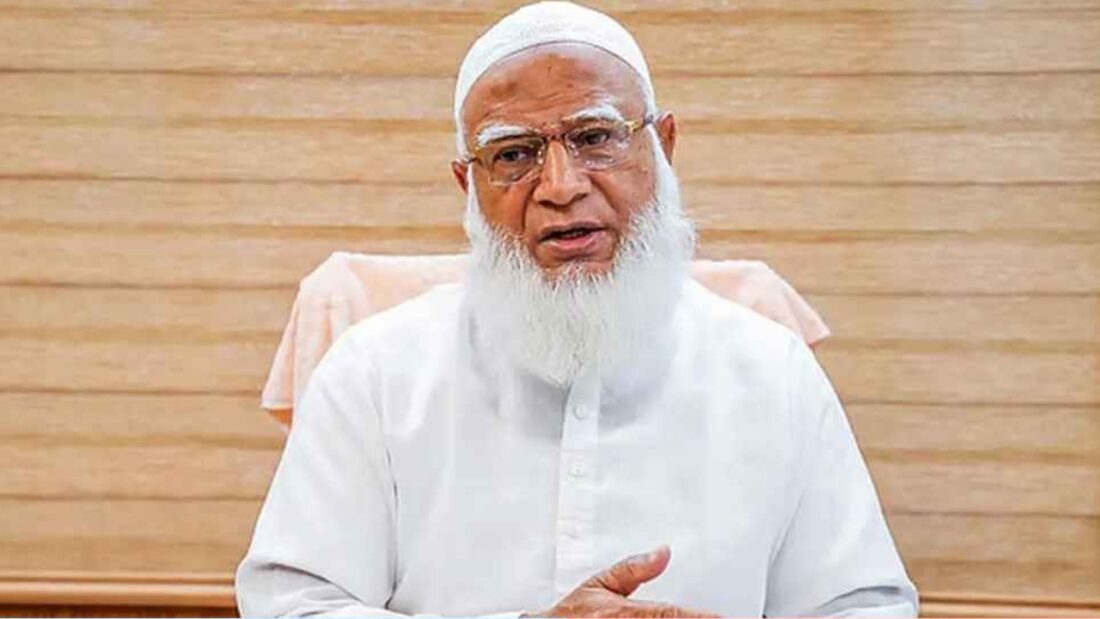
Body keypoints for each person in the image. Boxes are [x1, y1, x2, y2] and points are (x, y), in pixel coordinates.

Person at [235, 2, 918, 616]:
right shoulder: (374, 372)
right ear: (468, 184)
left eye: (595, 137)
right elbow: (292, 605)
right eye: (513, 154)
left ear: (663, 147)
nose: (560, 187)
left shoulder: (773, 371)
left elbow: (862, 605)